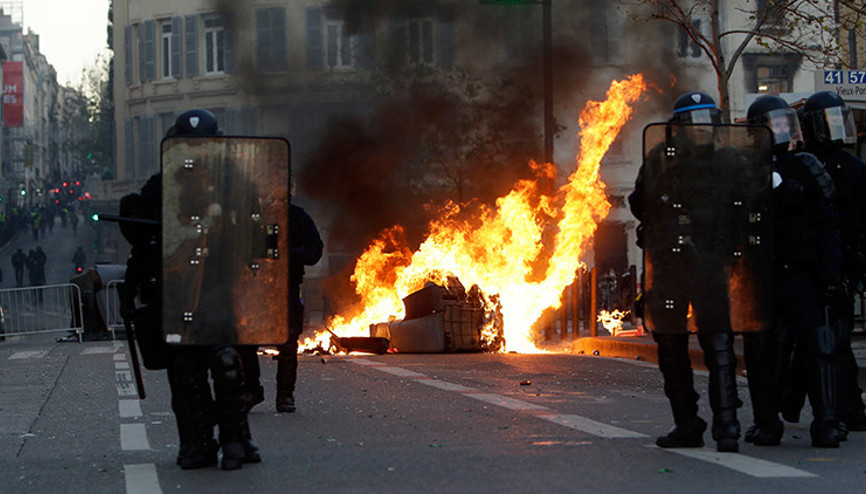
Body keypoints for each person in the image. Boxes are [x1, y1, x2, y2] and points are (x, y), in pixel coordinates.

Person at [120, 109, 260, 470]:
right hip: (178, 286)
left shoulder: (234, 181)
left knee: (225, 359)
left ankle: (235, 438)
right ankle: (197, 443)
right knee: (184, 366)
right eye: (188, 144)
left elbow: (255, 228)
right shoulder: (164, 183)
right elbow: (143, 234)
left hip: (219, 282)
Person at [628, 92, 744, 452]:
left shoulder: (727, 161)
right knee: (671, 343)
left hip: (706, 263)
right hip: (668, 265)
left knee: (718, 343)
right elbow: (639, 203)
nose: (702, 128)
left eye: (706, 119)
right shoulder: (662, 159)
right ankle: (689, 424)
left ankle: (727, 426)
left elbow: (742, 206)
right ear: (679, 128)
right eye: (694, 121)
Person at [742, 94, 843, 448]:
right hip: (760, 279)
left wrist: (831, 275)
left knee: (820, 346)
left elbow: (828, 224)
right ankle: (766, 423)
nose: (783, 130)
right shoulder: (744, 169)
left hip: (799, 276)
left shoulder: (805, 166)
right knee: (760, 352)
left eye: (786, 123)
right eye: (775, 124)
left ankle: (827, 422)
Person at [779, 91, 866, 432]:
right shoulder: (803, 164)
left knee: (833, 335)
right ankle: (828, 404)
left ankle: (827, 403)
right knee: (820, 336)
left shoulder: (853, 166)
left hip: (840, 259)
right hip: (812, 261)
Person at [239, 199, 323, 414]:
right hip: (252, 286)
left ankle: (285, 394)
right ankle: (251, 389)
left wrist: (286, 256)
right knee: (245, 340)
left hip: (287, 285)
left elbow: (314, 251)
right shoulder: (246, 215)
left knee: (287, 341)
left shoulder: (297, 216)